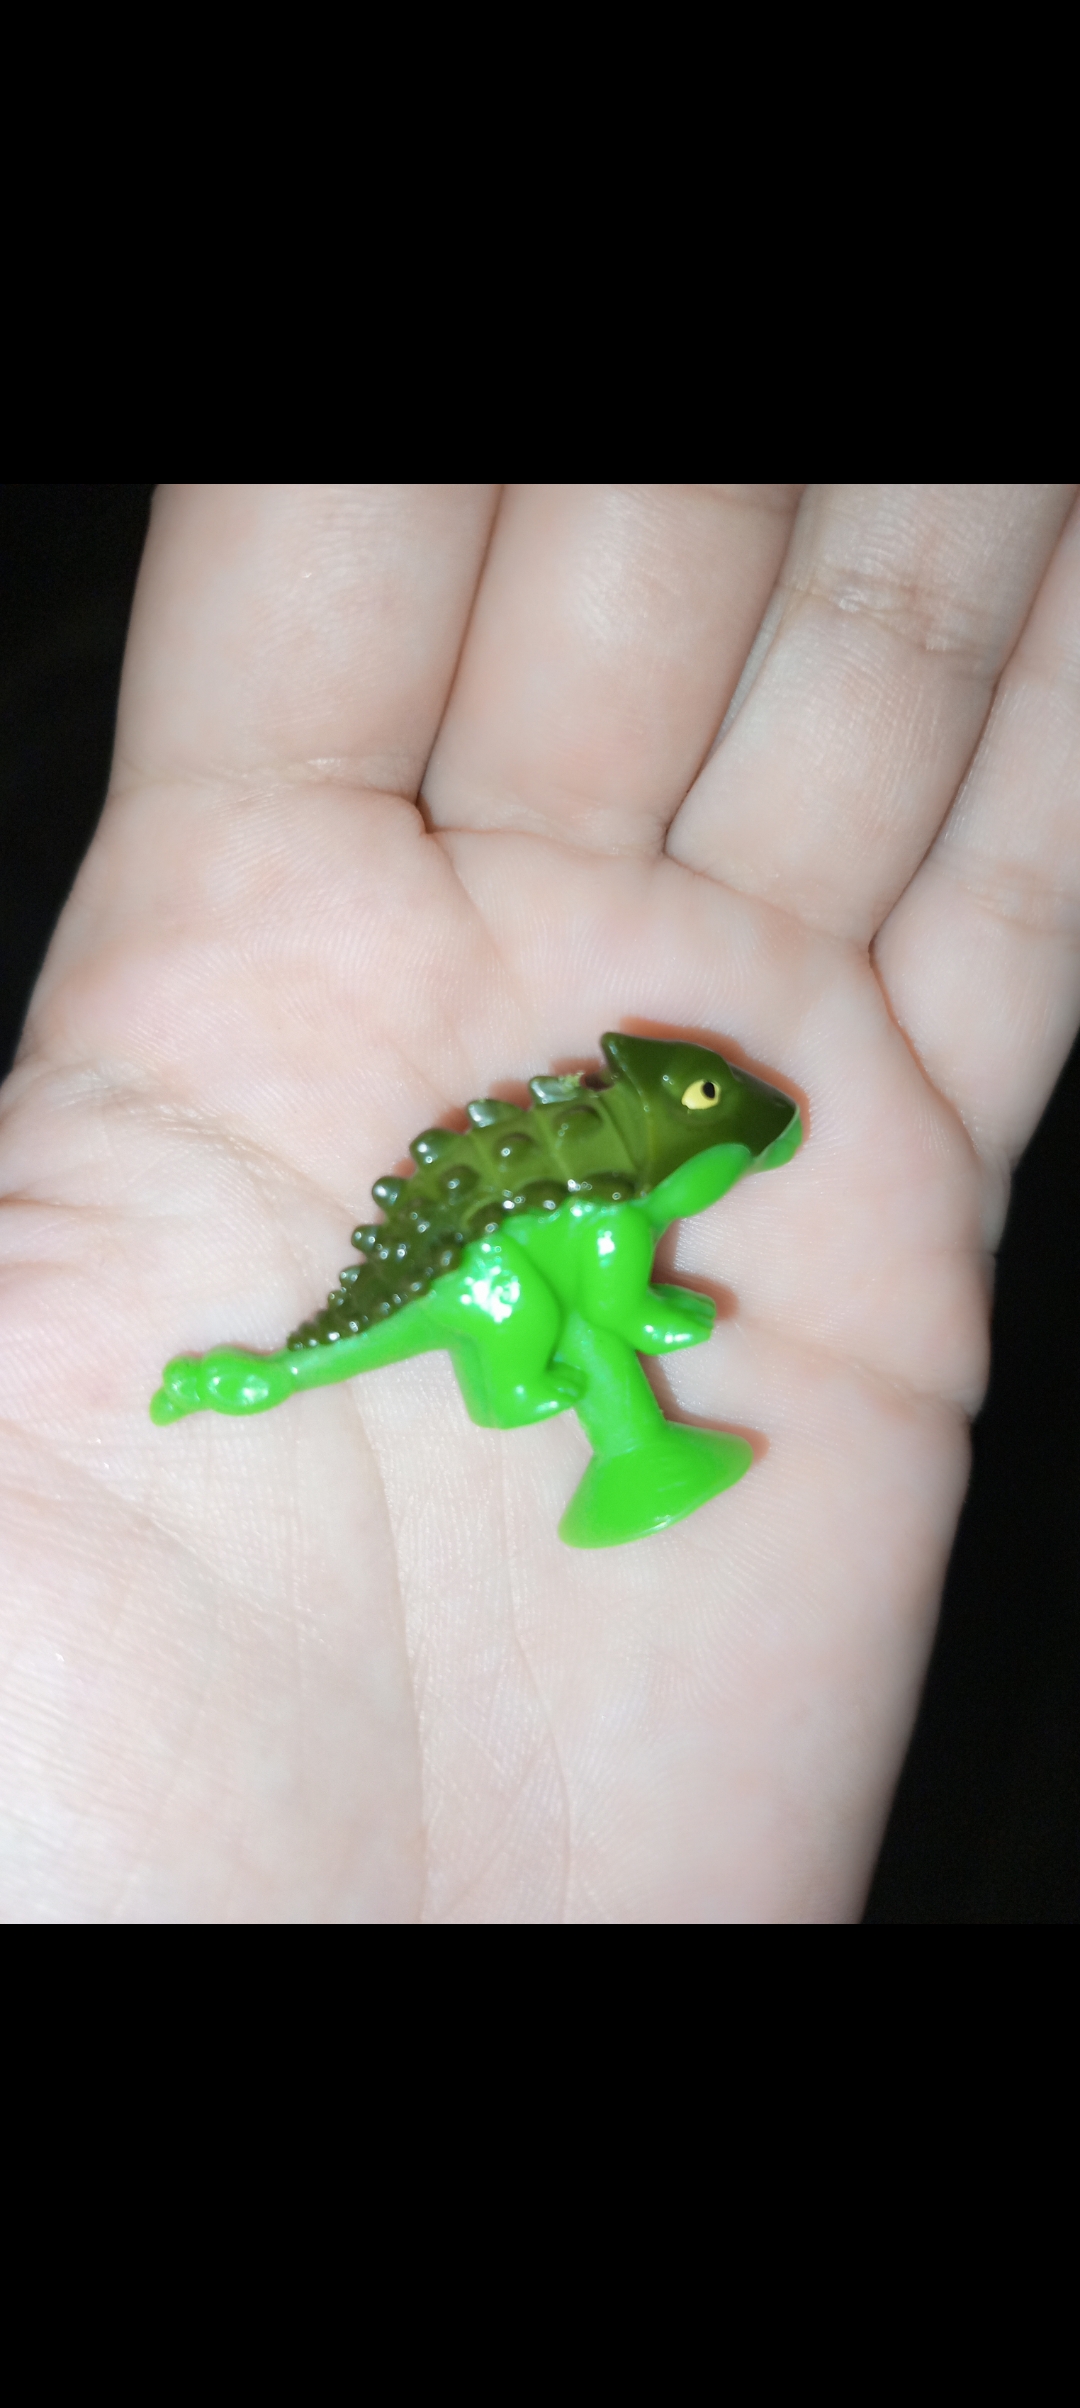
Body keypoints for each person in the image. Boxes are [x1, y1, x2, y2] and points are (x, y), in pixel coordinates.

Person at [1, 481, 1076, 1923]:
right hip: (484, 1275)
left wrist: (632, 1317)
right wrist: (613, 1332)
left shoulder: (616, 1197)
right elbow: (611, 1281)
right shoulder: (613, 1216)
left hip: (509, 1257)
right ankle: (499, 1388)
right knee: (513, 1333)